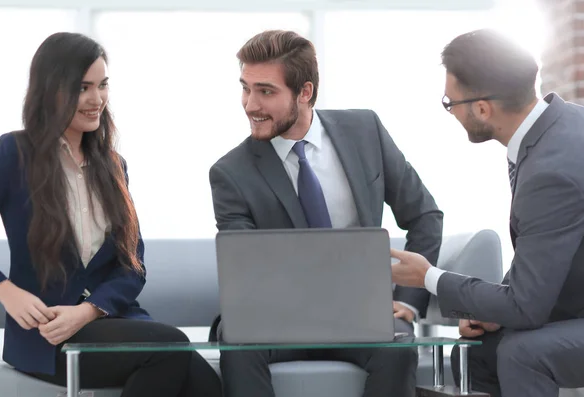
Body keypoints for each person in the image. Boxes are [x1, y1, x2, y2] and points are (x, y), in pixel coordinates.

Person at [0, 32, 221, 397]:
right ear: (51, 90)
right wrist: (4, 291)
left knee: (206, 383)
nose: (97, 99)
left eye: (103, 85)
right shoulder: (15, 154)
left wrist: (90, 310)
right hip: (48, 337)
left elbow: (132, 263)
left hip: (108, 320)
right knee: (169, 348)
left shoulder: (112, 165)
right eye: (83, 87)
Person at [208, 29, 443, 397]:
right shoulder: (230, 173)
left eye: (265, 91)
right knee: (236, 338)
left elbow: (425, 215)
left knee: (398, 344)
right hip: (275, 319)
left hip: (359, 316)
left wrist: (409, 302)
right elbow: (246, 270)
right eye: (246, 88)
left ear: (305, 92)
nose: (250, 104)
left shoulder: (365, 131)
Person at [390, 29, 584, 397]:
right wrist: (494, 312)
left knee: (522, 353)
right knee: (485, 348)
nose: (451, 112)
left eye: (450, 102)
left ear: (482, 108)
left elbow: (526, 306)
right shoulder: (561, 127)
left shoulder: (550, 170)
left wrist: (429, 277)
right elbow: (539, 269)